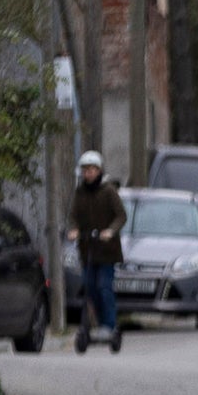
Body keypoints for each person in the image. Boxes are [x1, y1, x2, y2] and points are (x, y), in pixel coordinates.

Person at [71, 150, 127, 354]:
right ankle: (94, 324)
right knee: (89, 288)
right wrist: (74, 230)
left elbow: (121, 216)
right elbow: (74, 215)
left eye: (92, 169)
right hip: (88, 250)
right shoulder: (80, 193)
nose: (89, 174)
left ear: (99, 170)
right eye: (86, 170)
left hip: (107, 251)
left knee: (104, 286)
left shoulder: (108, 191)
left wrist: (110, 231)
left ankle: (109, 324)